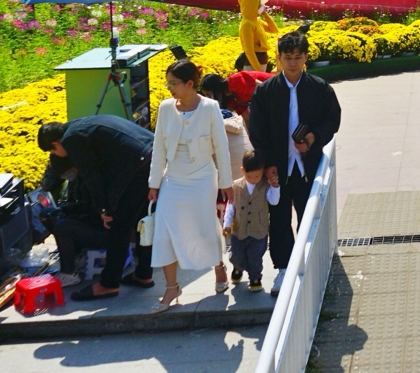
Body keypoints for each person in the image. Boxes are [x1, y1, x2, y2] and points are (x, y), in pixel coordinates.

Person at [248, 31, 342, 293]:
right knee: (278, 218)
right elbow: (257, 130)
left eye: (297, 58)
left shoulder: (320, 88)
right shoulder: (265, 91)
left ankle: (310, 265)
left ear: (305, 58)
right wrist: (266, 164)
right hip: (277, 167)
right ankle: (283, 270)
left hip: (307, 165)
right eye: (287, 58)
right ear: (278, 58)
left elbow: (332, 119)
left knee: (309, 215)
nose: (292, 63)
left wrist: (313, 137)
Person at [38, 115, 155, 301]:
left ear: (56, 143)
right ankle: (143, 273)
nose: (55, 155)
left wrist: (103, 210)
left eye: (52, 151)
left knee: (119, 225)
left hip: (138, 165)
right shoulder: (80, 125)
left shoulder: (71, 139)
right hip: (152, 156)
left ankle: (108, 284)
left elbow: (92, 175)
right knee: (143, 220)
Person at [147, 59, 232, 312]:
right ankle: (171, 287)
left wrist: (226, 182)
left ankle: (218, 266)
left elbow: (221, 147)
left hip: (202, 177)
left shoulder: (210, 107)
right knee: (164, 230)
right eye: (168, 83)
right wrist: (154, 183)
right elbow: (158, 148)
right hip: (173, 177)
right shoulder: (164, 108)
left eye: (174, 83)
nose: (169, 88)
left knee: (205, 226)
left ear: (190, 84)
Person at [223, 151, 281, 293]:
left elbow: (274, 201)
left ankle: (255, 278)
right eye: (250, 176)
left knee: (255, 256)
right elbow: (231, 207)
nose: (254, 179)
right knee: (237, 254)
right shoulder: (236, 186)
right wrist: (227, 224)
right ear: (242, 170)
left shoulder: (265, 186)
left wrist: (275, 187)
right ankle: (238, 267)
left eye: (257, 176)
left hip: (258, 230)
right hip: (239, 230)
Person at [237, 0, 279, 72]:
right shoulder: (247, 24)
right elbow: (249, 50)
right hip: (253, 64)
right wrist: (258, 70)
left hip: (261, 60)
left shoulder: (256, 21)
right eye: (260, 4)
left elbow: (274, 30)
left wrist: (265, 14)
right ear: (253, 6)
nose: (263, 6)